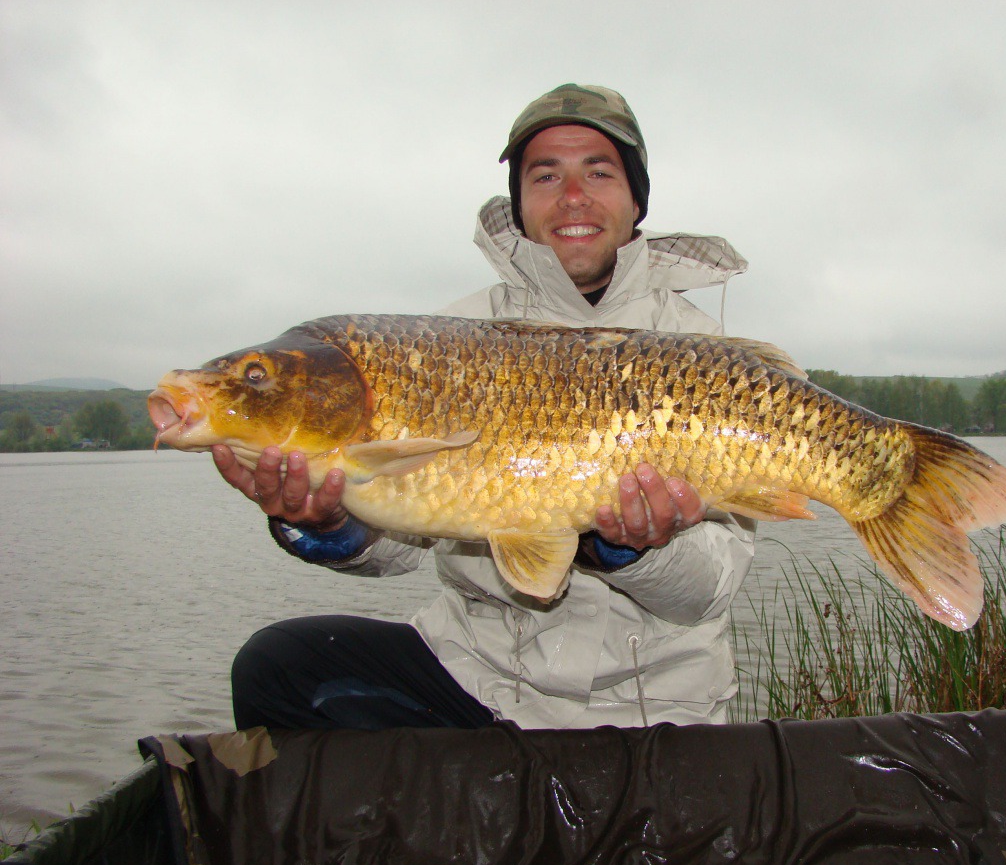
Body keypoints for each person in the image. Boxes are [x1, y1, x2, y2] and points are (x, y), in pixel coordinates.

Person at [214, 84, 754, 731]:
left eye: (598, 172)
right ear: (520, 203)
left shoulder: (707, 359)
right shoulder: (445, 341)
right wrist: (329, 523)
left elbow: (708, 592)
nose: (572, 196)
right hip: (480, 680)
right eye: (545, 174)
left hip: (654, 704)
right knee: (278, 668)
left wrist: (630, 550)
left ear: (636, 198)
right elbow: (402, 546)